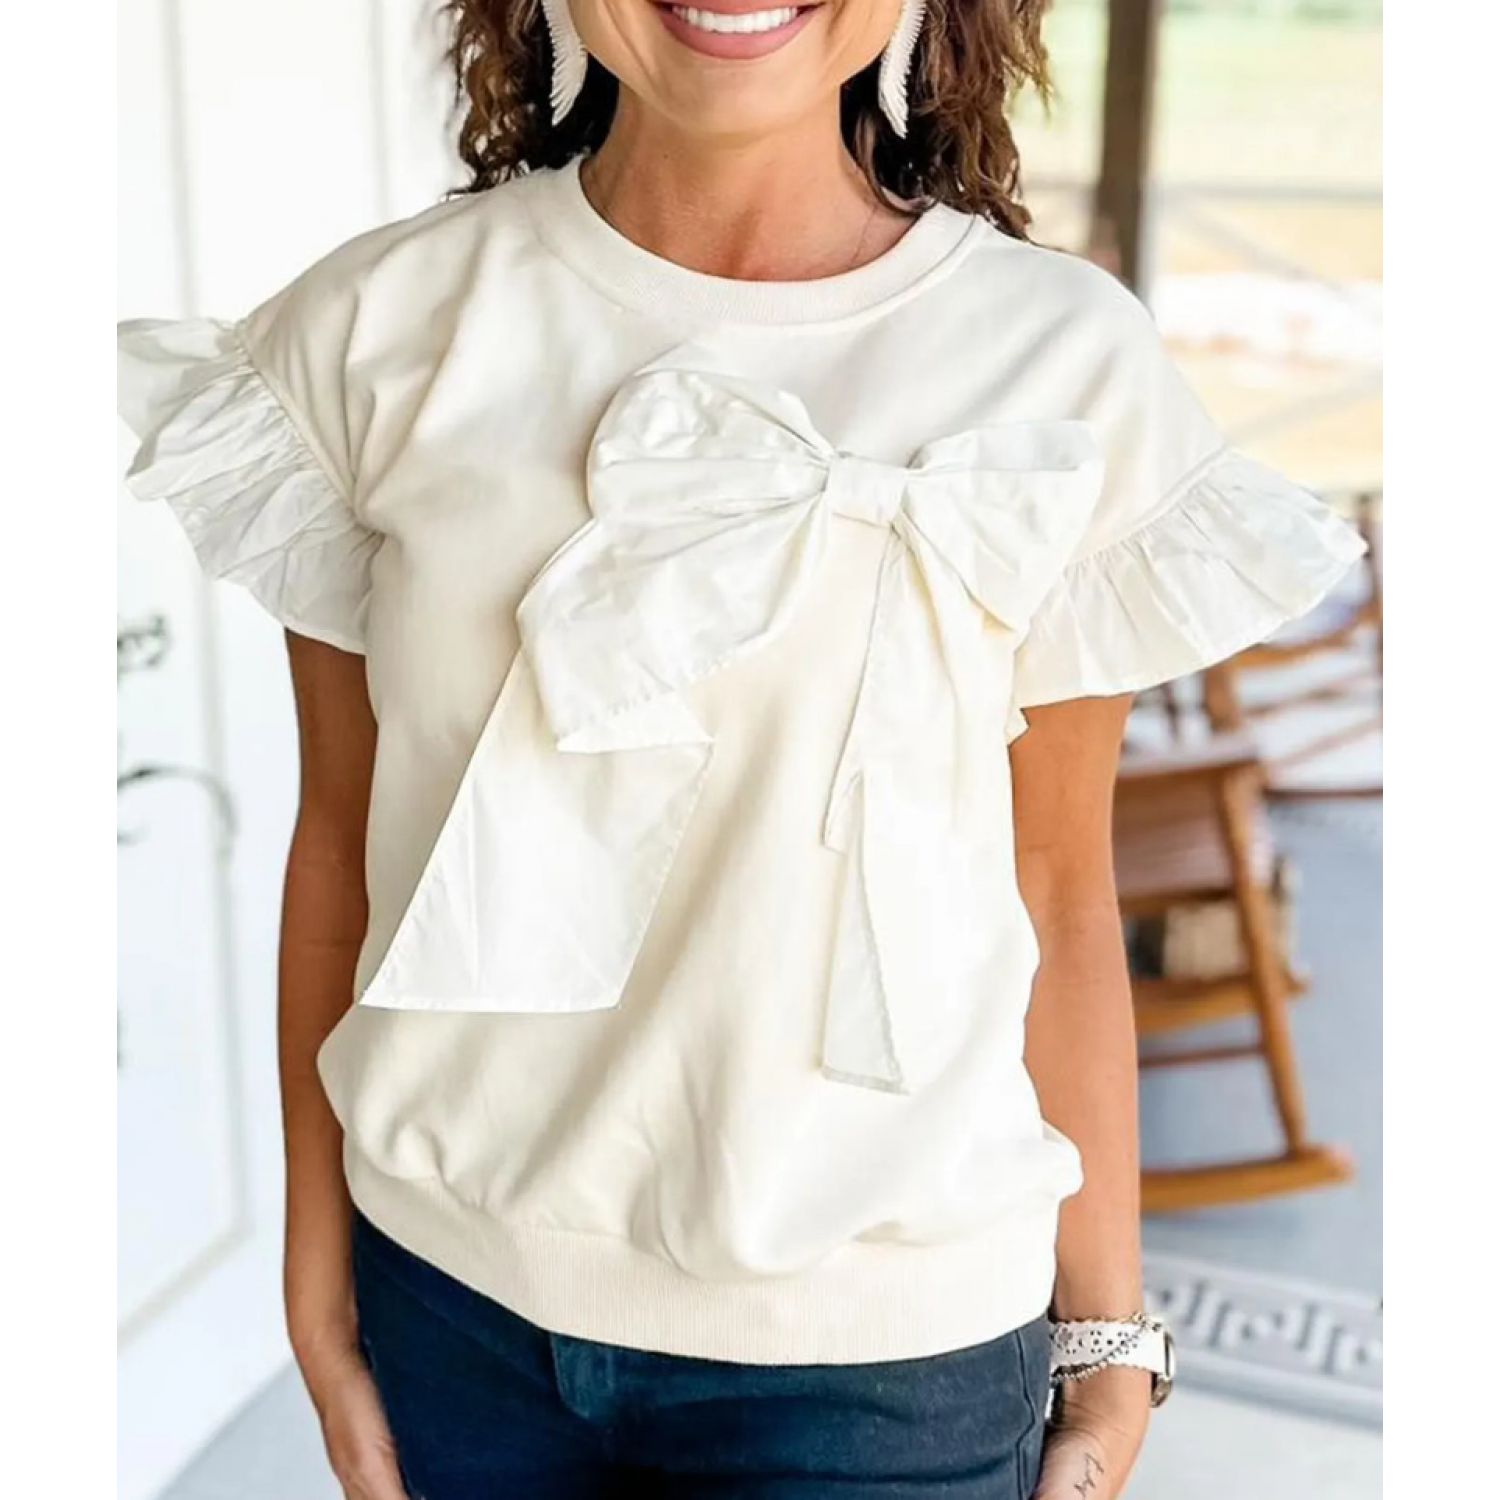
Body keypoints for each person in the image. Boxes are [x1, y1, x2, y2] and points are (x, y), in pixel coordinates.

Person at [117, 2, 1366, 1496]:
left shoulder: (1067, 364)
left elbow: (1056, 884)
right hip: (450, 1315)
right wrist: (315, 1274)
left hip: (890, 1370)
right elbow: (340, 843)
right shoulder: (375, 329)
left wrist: (1109, 1329)